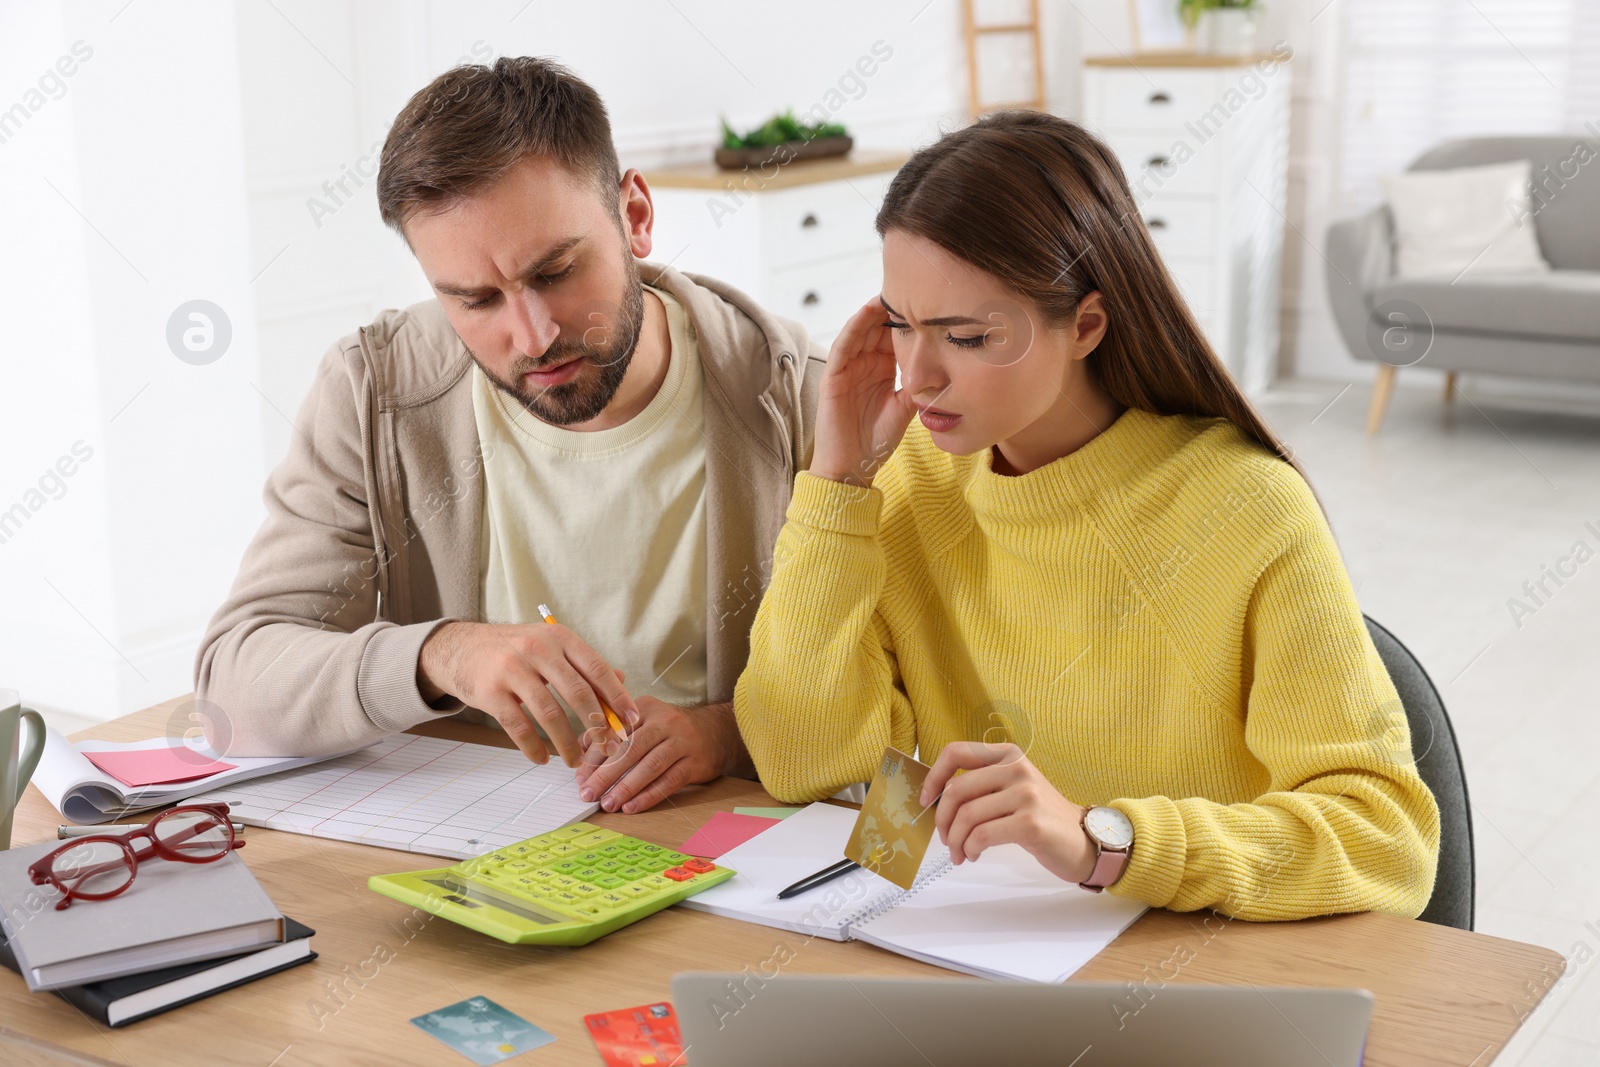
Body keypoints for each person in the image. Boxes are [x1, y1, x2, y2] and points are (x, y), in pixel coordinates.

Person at [734, 110, 1440, 920]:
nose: (916, 374)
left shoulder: (1250, 510)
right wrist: (838, 485)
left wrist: (1102, 839)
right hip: (979, 943)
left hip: (1194, 965)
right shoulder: (909, 480)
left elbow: (1387, 839)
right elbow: (802, 761)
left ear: (1088, 326)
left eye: (965, 336)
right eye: (899, 324)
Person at [196, 57, 824, 813]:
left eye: (556, 271)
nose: (533, 336)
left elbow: (898, 696)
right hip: (480, 848)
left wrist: (726, 735)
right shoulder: (374, 390)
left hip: (727, 847)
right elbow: (234, 680)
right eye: (476, 299)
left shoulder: (801, 395)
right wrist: (443, 654)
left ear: (636, 217)